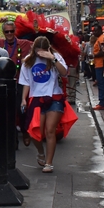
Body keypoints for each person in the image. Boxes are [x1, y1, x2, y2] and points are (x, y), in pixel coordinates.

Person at [19, 36, 68, 173]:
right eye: (37, 51)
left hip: (54, 97)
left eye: (42, 51)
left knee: (50, 131)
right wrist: (24, 99)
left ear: (47, 49)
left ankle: (49, 163)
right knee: (36, 131)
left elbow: (64, 73)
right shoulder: (29, 60)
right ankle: (41, 152)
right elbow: (26, 82)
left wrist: (52, 58)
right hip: (36, 98)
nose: (40, 54)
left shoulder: (55, 57)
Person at [91, 25, 104, 110]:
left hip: (101, 65)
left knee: (102, 84)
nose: (94, 32)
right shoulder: (100, 38)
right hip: (100, 64)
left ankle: (103, 103)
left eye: (95, 31)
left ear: (100, 30)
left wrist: (94, 55)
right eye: (93, 31)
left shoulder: (102, 39)